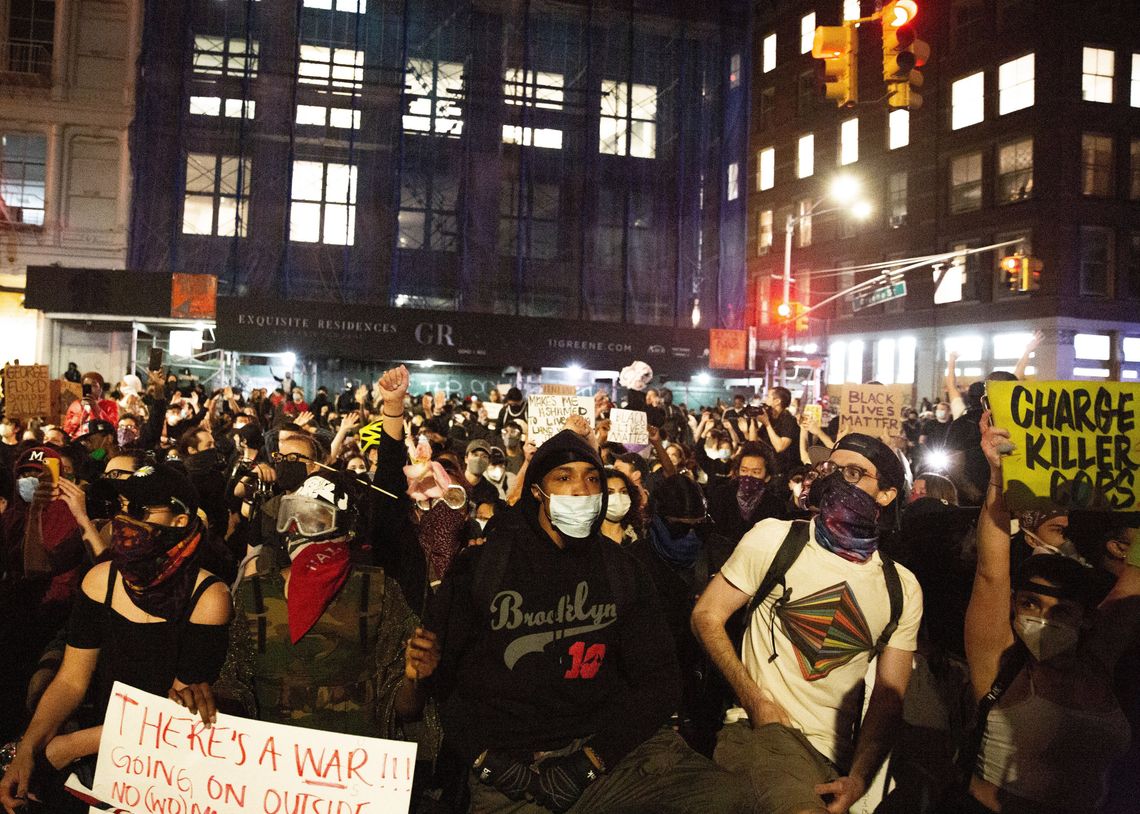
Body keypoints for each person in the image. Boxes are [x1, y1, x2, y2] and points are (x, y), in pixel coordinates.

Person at [423, 425, 745, 813]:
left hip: (608, 755)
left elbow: (659, 681)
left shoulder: (622, 571)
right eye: (564, 477)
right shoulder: (484, 567)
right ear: (537, 492)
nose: (580, 490)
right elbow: (441, 678)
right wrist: (485, 760)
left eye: (592, 478)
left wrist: (590, 762)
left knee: (726, 798)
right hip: (514, 768)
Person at [692, 433, 922, 814]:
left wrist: (859, 778)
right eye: (831, 469)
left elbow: (887, 697)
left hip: (834, 758)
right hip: (763, 737)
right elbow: (706, 615)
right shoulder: (775, 539)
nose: (835, 480)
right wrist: (756, 701)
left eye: (853, 472)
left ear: (886, 494)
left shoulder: (903, 588)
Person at [0, 464, 231, 813]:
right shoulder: (100, 580)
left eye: (139, 511)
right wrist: (29, 747)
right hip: (101, 755)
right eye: (121, 506)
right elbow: (71, 680)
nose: (125, 519)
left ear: (180, 521)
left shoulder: (208, 597)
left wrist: (68, 747)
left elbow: (176, 711)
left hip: (160, 763)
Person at [953, 414, 1136, 814]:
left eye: (1062, 610)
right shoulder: (999, 662)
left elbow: (1136, 575)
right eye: (1031, 604)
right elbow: (991, 572)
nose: (1043, 618)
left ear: (1086, 619)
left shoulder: (1097, 661)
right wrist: (999, 480)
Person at [216, 473, 441, 751]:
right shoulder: (254, 595)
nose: (296, 528)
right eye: (292, 516)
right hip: (273, 769)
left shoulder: (379, 592)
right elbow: (233, 687)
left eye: (313, 519)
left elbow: (404, 708)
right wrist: (202, 701)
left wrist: (414, 678)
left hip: (350, 769)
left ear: (346, 530)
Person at [707, 442, 786, 548]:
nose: (748, 475)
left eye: (756, 472)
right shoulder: (722, 495)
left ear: (767, 476)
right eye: (744, 470)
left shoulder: (776, 505)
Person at [758, 386, 800, 477]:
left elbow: (780, 447)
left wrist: (767, 424)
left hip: (785, 473)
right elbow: (756, 440)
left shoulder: (788, 420)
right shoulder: (770, 418)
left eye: (768, 397)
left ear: (777, 401)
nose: (765, 400)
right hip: (770, 469)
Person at [600, 466, 642, 545]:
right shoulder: (588, 539)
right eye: (610, 492)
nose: (618, 498)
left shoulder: (638, 535)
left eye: (623, 492)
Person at [464, 438, 501, 506]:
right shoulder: (454, 482)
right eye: (475, 455)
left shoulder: (491, 491)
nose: (478, 459)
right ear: (466, 458)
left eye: (484, 456)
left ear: (488, 462)